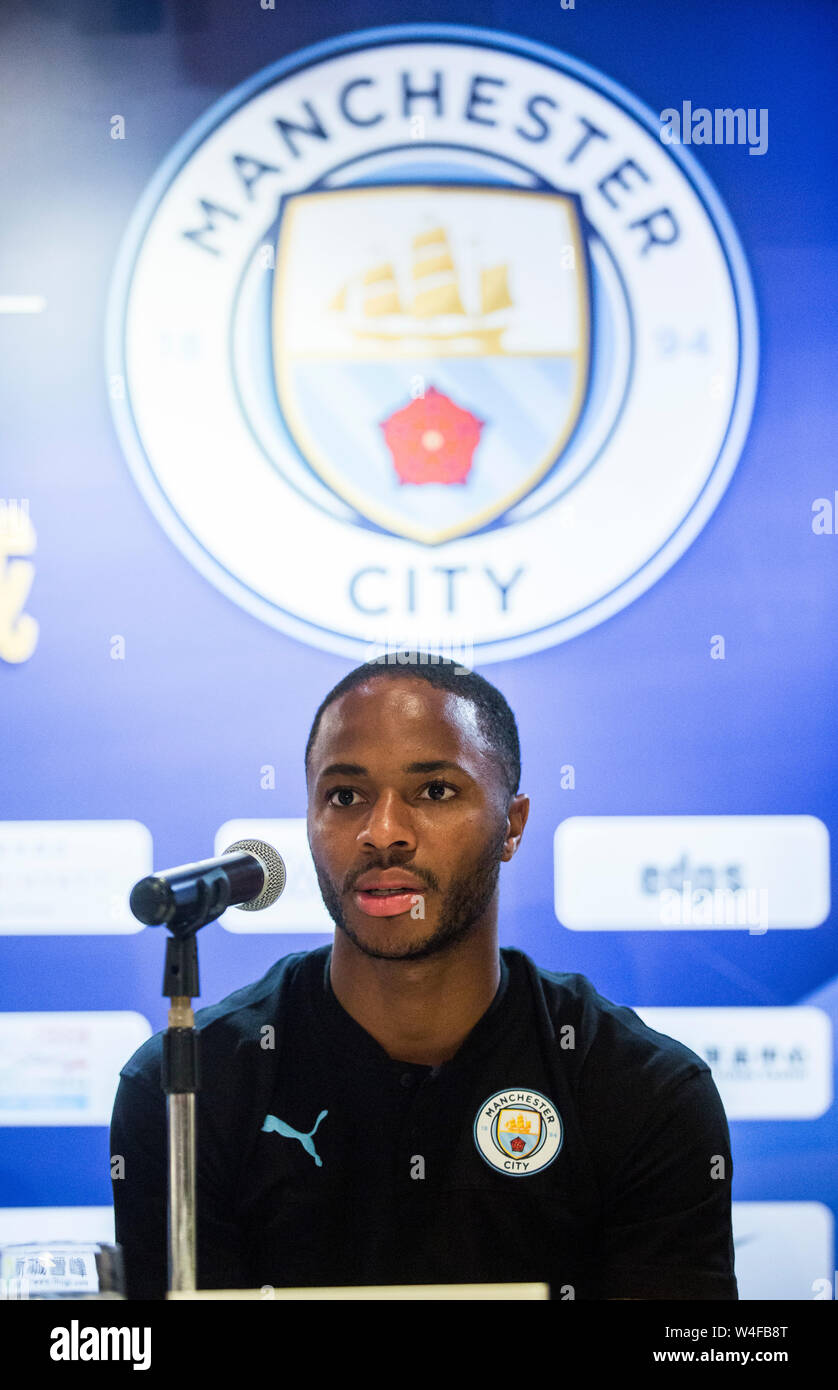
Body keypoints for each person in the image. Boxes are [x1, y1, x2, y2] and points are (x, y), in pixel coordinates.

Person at [110, 653, 738, 1300]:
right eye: (345, 796)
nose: (382, 833)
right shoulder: (186, 1087)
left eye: (435, 791)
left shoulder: (643, 1090)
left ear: (512, 826)